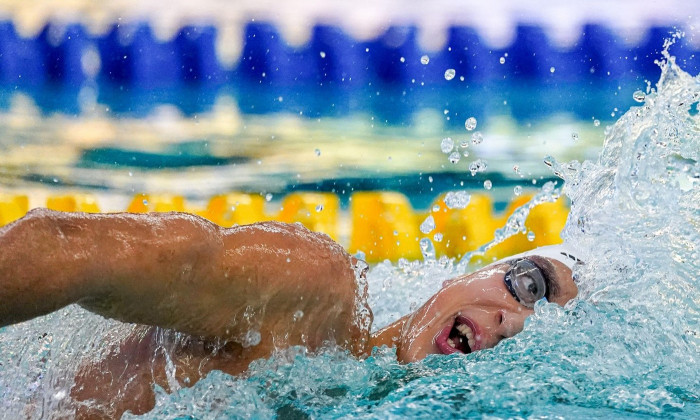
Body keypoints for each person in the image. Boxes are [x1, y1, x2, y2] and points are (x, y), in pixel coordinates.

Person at [0, 208, 580, 418]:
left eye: (540, 336)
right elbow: (63, 247)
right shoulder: (310, 295)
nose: (516, 322)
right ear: (468, 272)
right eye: (528, 286)